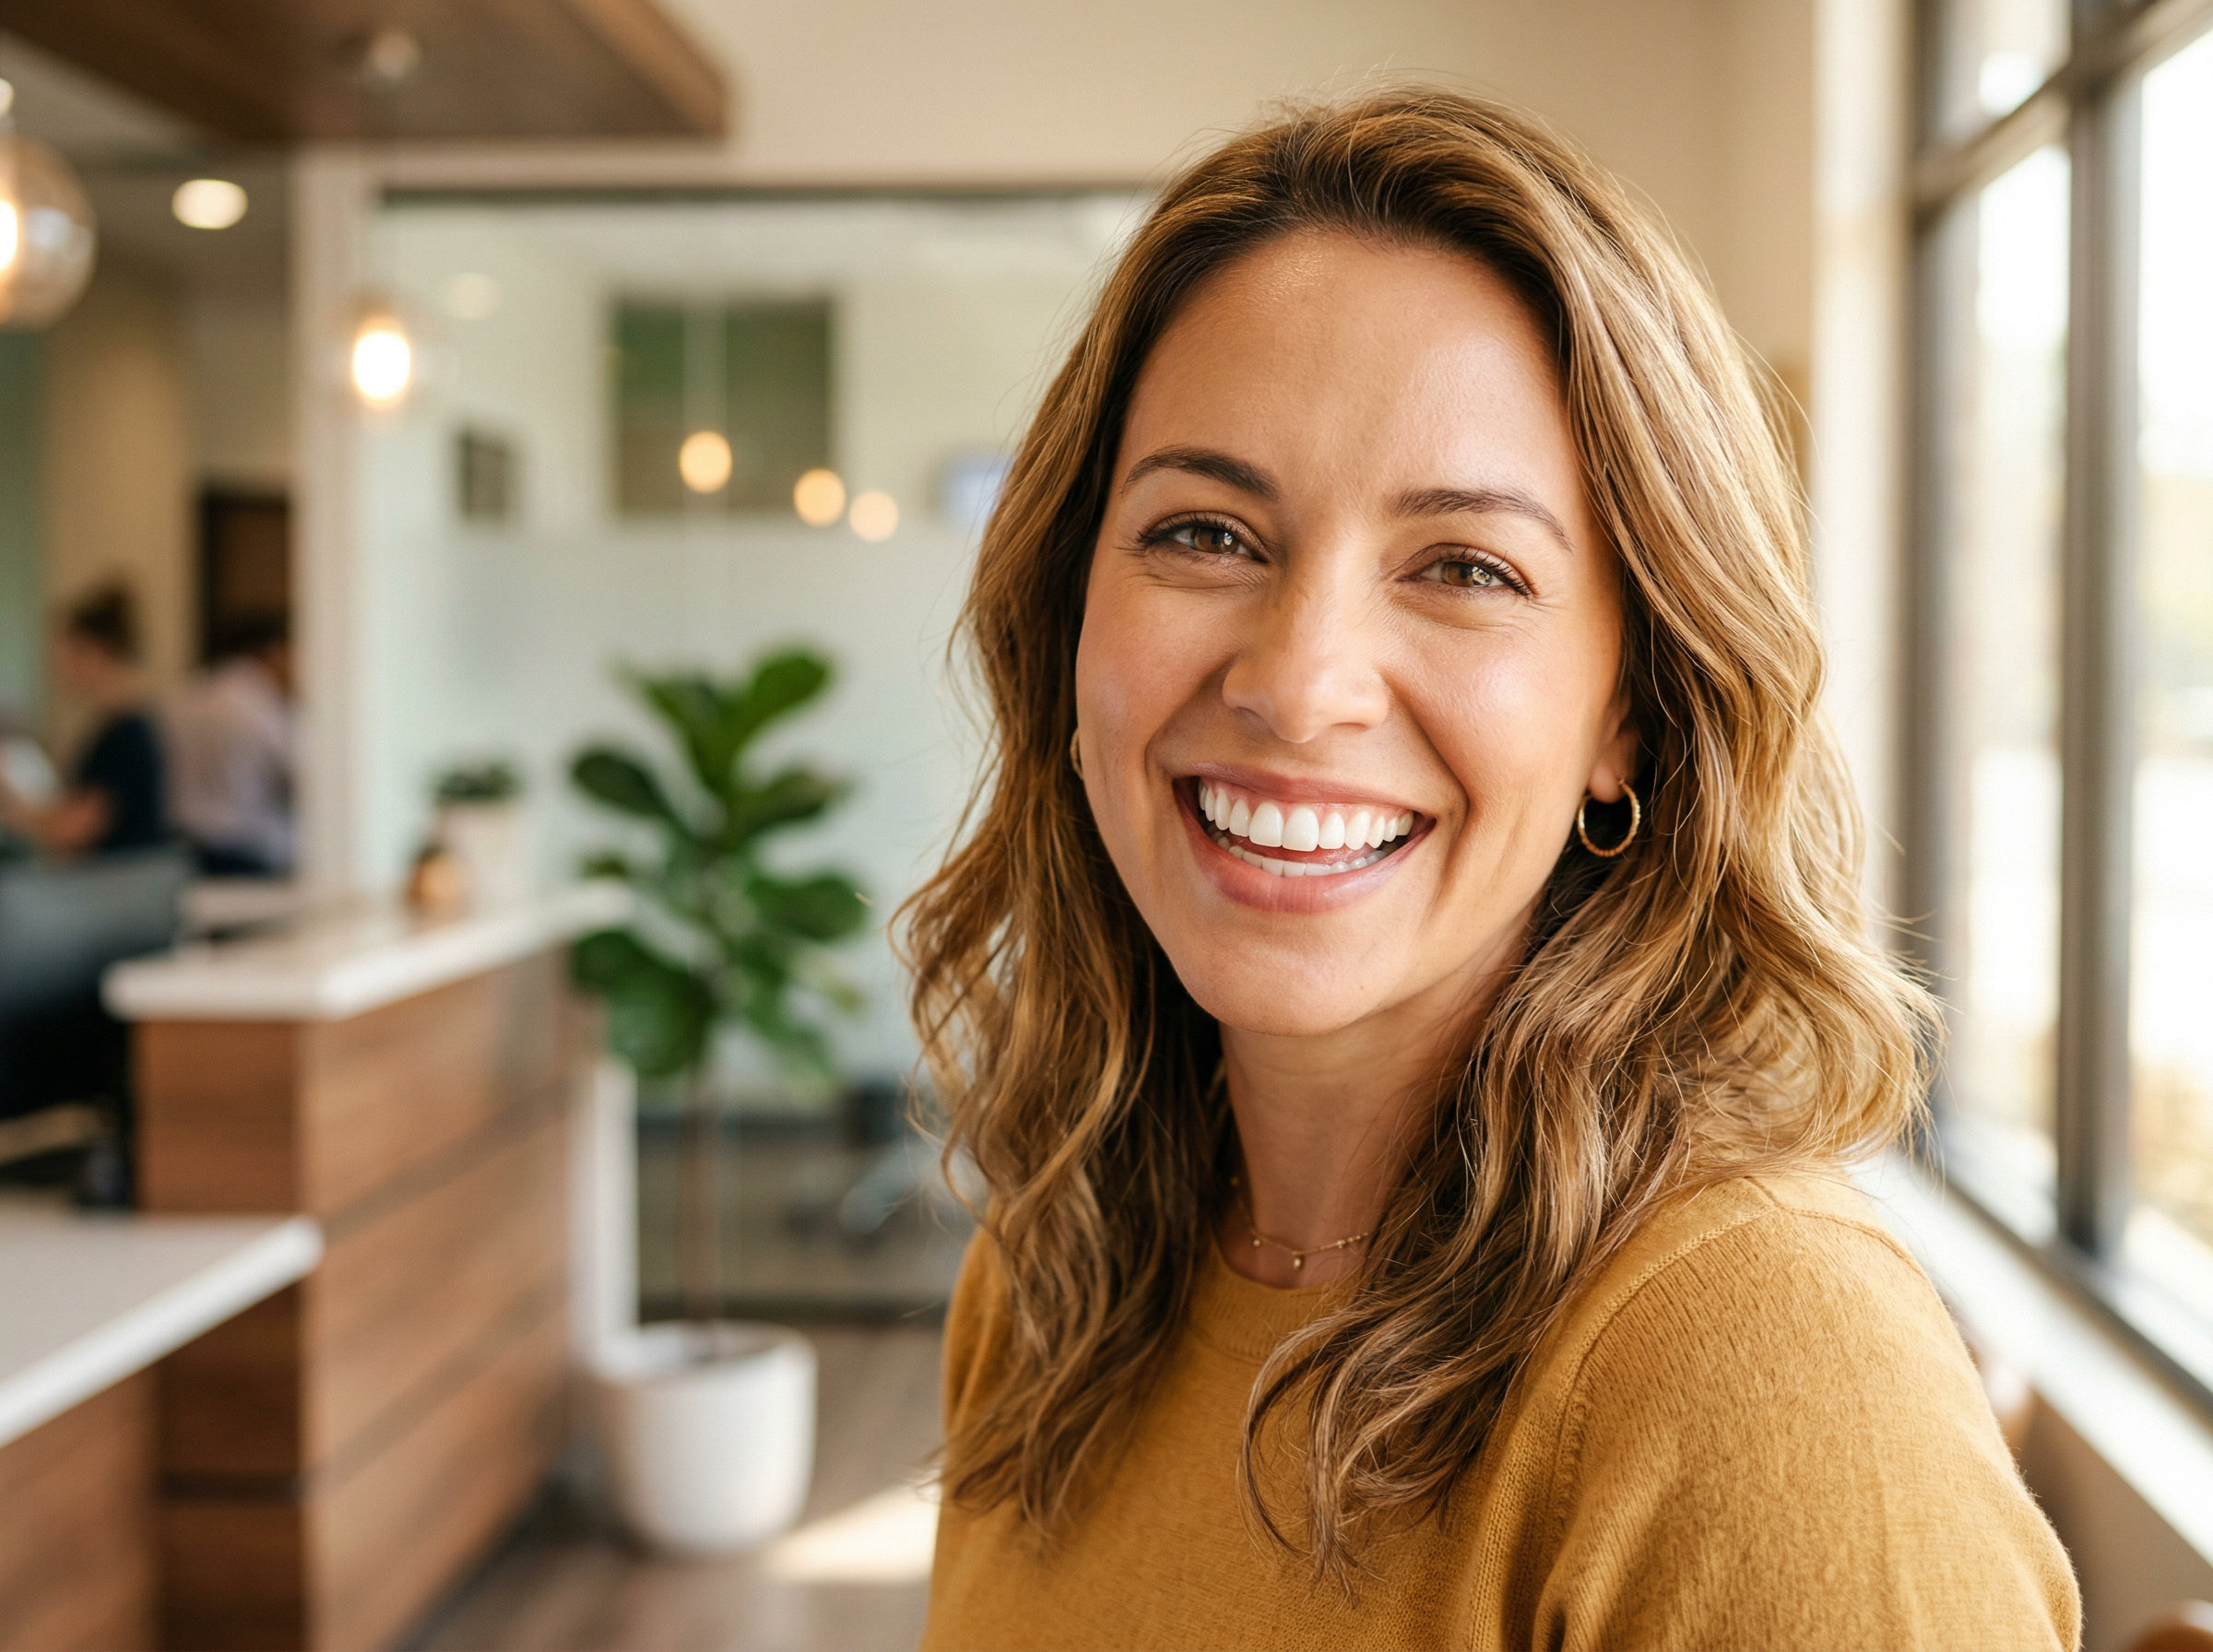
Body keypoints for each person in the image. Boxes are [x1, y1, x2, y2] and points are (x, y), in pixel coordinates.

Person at [902, 90, 2077, 1650]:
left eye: (1466, 567)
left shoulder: (1763, 1373)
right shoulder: (1053, 1269)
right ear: (1068, 624)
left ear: (1633, 714)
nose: (1300, 681)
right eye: (1205, 534)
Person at [0, 584, 168, 856]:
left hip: (116, 886)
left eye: (62, 651)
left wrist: (13, 807)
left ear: (93, 651)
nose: (55, 664)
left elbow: (72, 830)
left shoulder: (127, 734)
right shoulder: (116, 727)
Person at [165, 612, 296, 877]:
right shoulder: (261, 702)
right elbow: (300, 774)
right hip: (249, 851)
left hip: (188, 848)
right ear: (276, 652)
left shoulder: (189, 695)